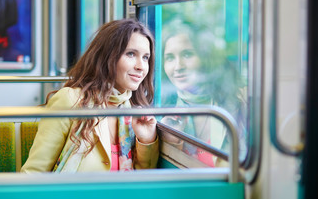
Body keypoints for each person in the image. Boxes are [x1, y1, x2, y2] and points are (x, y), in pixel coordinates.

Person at [21, 19, 158, 173]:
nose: (141, 66)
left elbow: (142, 180)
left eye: (146, 57)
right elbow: (34, 172)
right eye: (131, 54)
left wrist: (146, 140)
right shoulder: (70, 100)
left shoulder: (133, 111)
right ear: (107, 56)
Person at [160, 19, 248, 166]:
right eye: (170, 58)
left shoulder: (237, 101)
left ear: (205, 57)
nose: (178, 66)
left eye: (187, 55)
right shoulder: (162, 107)